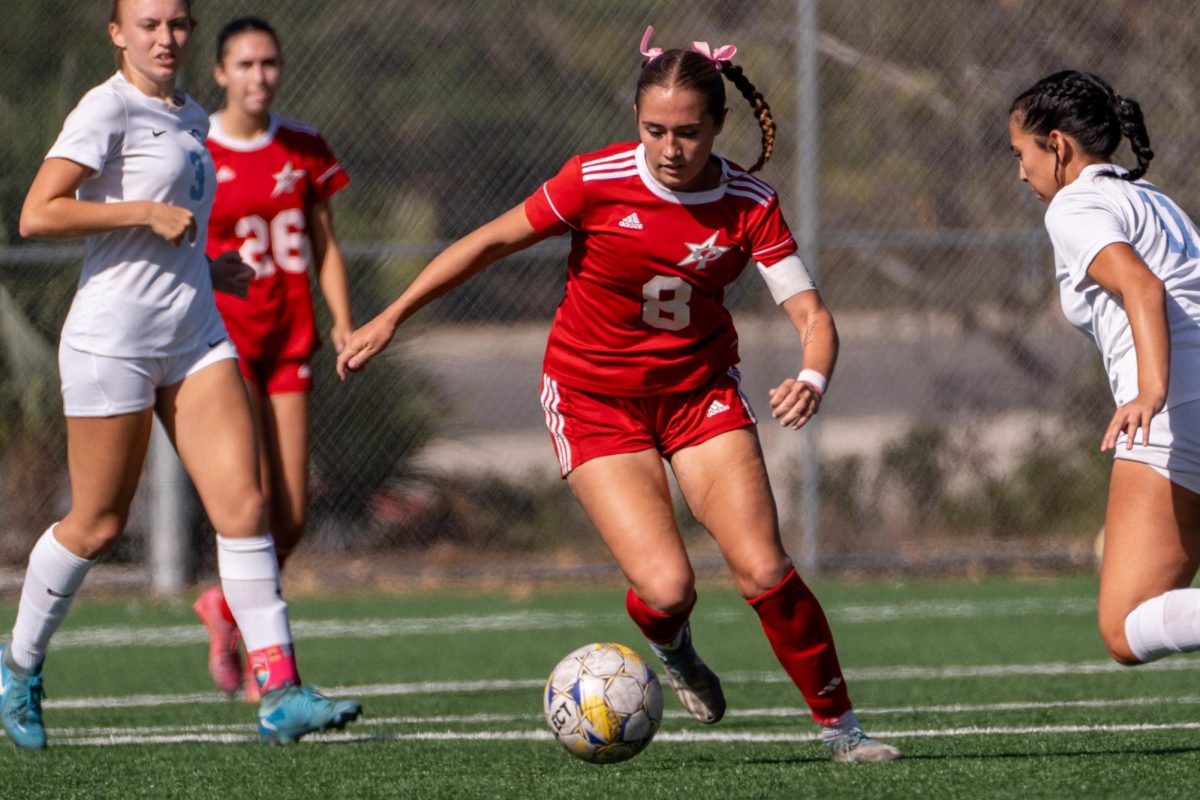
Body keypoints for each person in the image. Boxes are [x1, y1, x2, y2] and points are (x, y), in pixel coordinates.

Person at [338, 26, 901, 763]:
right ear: (636, 121)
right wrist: (391, 316)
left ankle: (842, 730)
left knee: (763, 566)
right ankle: (673, 646)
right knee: (668, 589)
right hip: (594, 400)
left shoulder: (748, 203)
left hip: (699, 395)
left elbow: (813, 316)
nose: (671, 148)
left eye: (689, 133)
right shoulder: (593, 180)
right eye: (655, 130)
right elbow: (487, 242)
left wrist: (811, 374)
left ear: (718, 128)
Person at [2, 0, 361, 750]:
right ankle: (17, 669)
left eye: (178, 24)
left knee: (246, 505)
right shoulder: (106, 108)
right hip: (114, 342)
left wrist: (209, 265)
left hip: (196, 335)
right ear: (116, 32)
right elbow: (39, 214)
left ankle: (281, 691)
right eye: (148, 24)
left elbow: (173, 229)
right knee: (97, 524)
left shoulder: (194, 116)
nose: (165, 38)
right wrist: (141, 213)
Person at [1009, 71, 1200, 667]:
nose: (1020, 172)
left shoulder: (1075, 204)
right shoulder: (1156, 200)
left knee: (1124, 627)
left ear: (1058, 146)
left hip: (1177, 412)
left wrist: (1151, 391)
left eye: (1022, 154)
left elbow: (1141, 287)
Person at [192, 16, 354, 702]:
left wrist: (345, 323)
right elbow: (189, 249)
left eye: (269, 63)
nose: (259, 76)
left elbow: (324, 245)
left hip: (291, 341)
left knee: (291, 516)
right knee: (251, 502)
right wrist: (229, 278)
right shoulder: (197, 147)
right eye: (245, 64)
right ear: (220, 74)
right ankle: (270, 662)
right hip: (225, 343)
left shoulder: (304, 146)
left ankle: (224, 610)